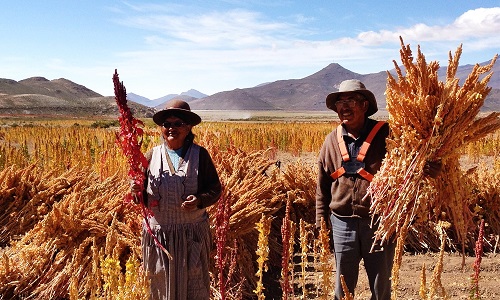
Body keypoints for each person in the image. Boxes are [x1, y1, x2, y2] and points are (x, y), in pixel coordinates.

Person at [315, 79, 441, 300]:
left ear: (364, 105)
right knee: (342, 289)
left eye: (350, 100)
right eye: (339, 102)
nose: (343, 107)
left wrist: (428, 167)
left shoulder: (388, 135)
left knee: (381, 288)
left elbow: (411, 166)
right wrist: (321, 222)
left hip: (379, 224)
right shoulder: (331, 141)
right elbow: (322, 186)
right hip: (341, 223)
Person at [135, 99, 222, 300]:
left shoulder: (200, 155)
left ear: (189, 127)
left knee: (194, 286)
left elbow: (215, 189)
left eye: (178, 124)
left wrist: (199, 200)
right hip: (160, 238)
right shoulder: (151, 156)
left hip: (191, 235)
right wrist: (135, 191)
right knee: (159, 287)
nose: (171, 128)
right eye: (167, 124)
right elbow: (139, 197)